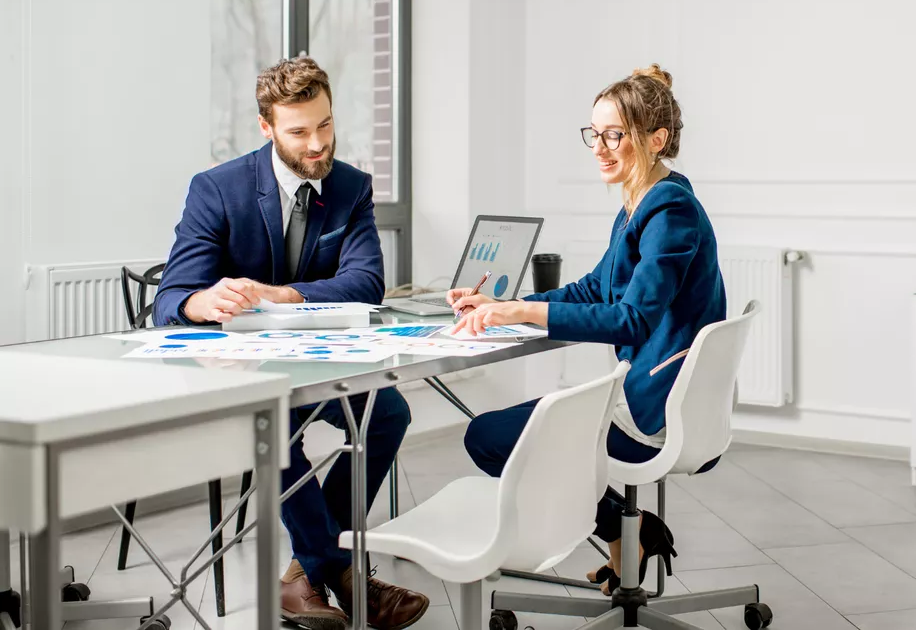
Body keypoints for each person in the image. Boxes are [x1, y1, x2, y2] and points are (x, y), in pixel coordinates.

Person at [154, 57, 428, 630]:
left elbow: (366, 282)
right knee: (273, 423)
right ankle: (344, 572)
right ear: (267, 127)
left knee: (388, 412)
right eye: (299, 132)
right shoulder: (218, 189)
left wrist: (284, 295)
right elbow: (171, 298)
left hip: (315, 361)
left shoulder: (351, 187)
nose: (317, 144)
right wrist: (203, 302)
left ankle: (305, 571)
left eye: (325, 125)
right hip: (240, 372)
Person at [448, 64, 726, 595]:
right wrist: (508, 304)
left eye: (614, 135)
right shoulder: (641, 203)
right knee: (507, 432)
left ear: (655, 139)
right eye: (594, 134)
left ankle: (630, 529)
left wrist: (520, 315)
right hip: (657, 395)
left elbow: (631, 318)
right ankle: (631, 530)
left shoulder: (669, 210)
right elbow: (596, 289)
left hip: (653, 409)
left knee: (486, 437)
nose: (600, 147)